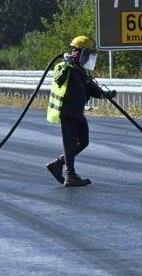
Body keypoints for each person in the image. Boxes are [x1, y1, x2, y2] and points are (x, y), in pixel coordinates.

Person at [46, 36, 116, 187]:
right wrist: (66, 64)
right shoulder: (63, 66)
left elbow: (91, 88)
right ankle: (70, 175)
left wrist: (105, 95)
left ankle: (58, 163)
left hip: (78, 112)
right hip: (67, 112)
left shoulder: (81, 71)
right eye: (86, 55)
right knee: (70, 142)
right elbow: (58, 79)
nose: (87, 59)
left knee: (83, 141)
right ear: (80, 53)